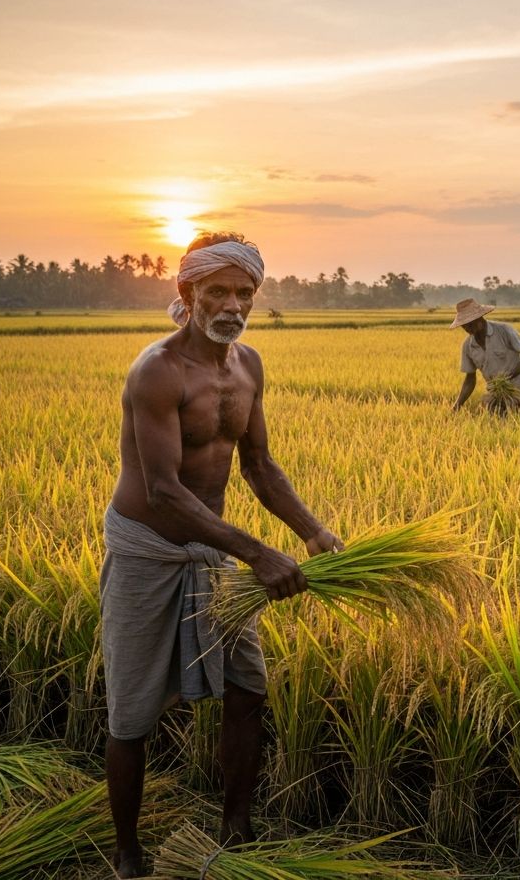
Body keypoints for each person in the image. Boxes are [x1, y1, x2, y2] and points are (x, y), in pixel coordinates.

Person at [100, 231, 343, 878]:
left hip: (212, 550)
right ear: (187, 293)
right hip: (150, 551)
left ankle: (237, 826)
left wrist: (312, 531)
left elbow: (259, 464)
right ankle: (127, 854)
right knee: (131, 712)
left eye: (245, 292)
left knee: (248, 689)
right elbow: (165, 492)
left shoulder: (247, 366)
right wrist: (259, 553)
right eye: (218, 292)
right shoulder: (157, 370)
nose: (233, 304)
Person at [449, 297, 520, 413]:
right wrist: (457, 405)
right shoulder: (468, 346)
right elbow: (470, 378)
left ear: (479, 319)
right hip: (495, 398)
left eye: (470, 324)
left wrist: (509, 376)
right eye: (464, 326)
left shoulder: (504, 331)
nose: (467, 329)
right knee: (496, 429)